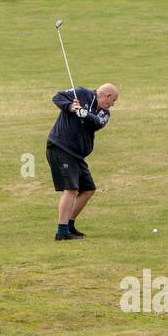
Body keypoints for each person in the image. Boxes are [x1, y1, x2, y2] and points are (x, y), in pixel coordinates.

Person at [46, 83, 119, 241]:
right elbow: (57, 97)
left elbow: (98, 122)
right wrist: (71, 107)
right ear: (106, 96)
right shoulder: (80, 93)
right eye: (113, 100)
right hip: (61, 147)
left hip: (77, 154)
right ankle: (62, 231)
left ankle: (70, 225)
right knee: (71, 189)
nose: (112, 105)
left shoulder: (104, 112)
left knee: (88, 189)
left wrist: (83, 113)